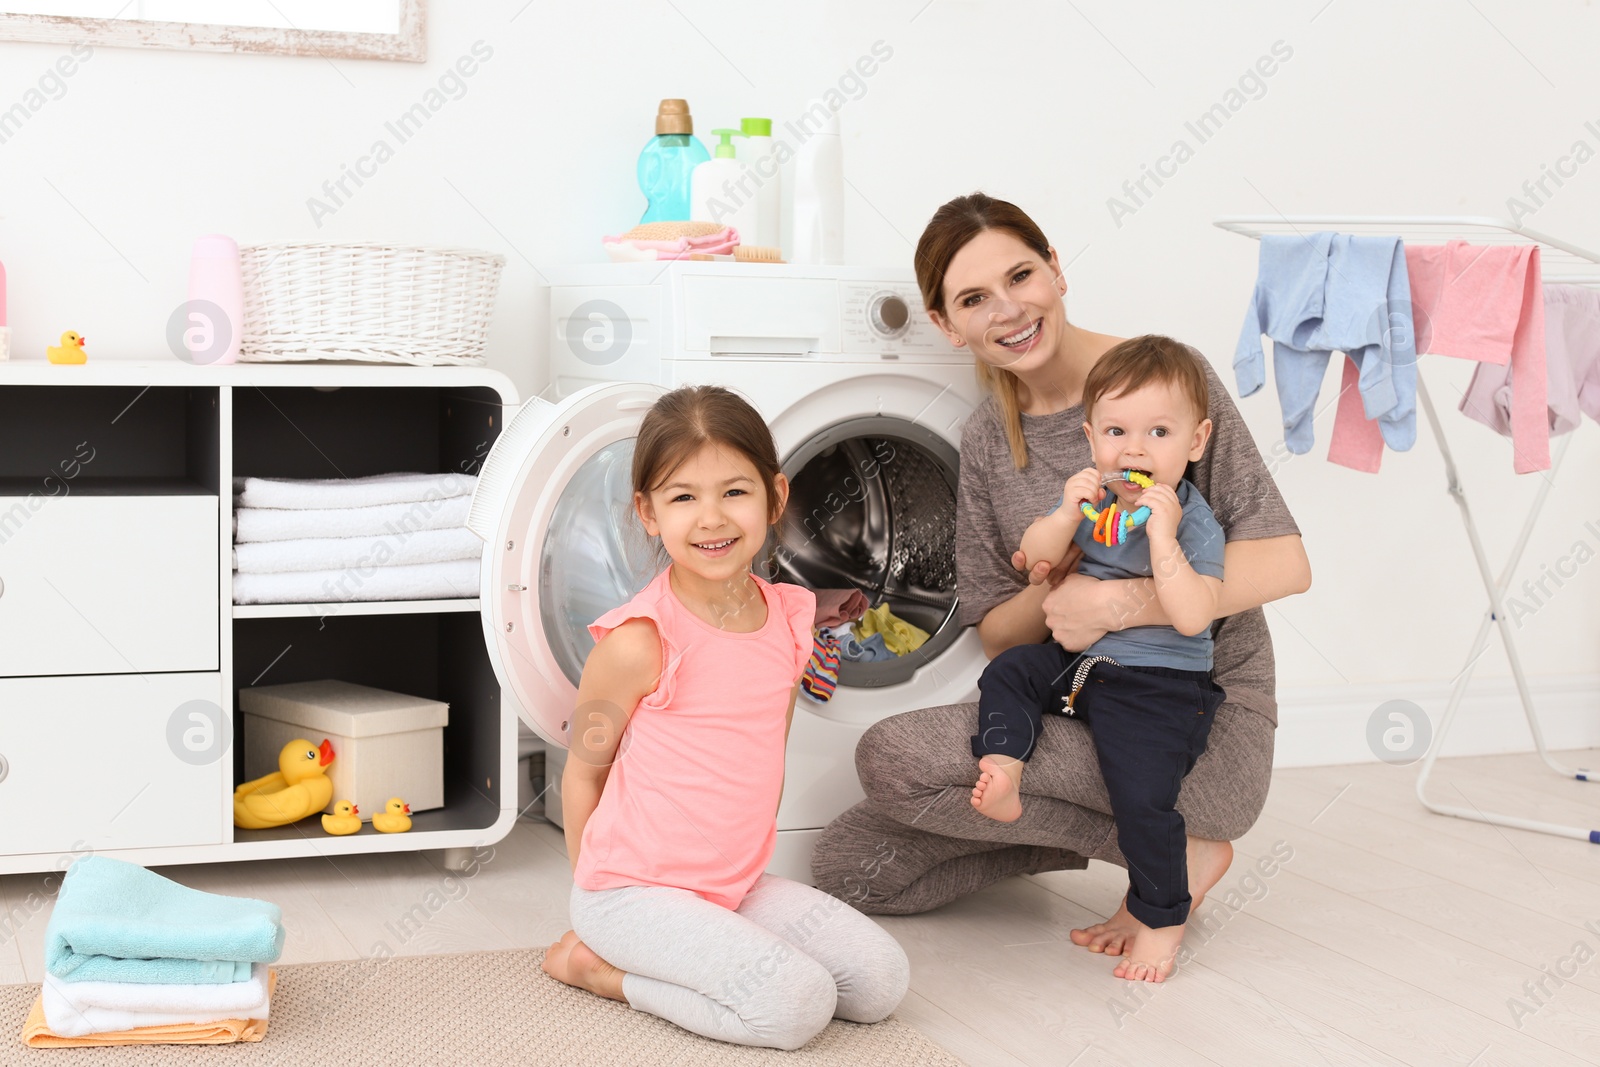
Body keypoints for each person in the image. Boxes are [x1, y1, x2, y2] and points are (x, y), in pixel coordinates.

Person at [812, 193, 1311, 973]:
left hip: (1194, 715)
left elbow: (1286, 561)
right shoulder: (987, 439)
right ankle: (1155, 850)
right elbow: (997, 630)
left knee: (896, 755)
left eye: (1021, 274)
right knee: (851, 866)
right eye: (975, 298)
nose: (1009, 310)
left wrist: (1121, 602)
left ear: (1057, 271)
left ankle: (1165, 862)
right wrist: (1058, 590)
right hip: (1074, 695)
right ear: (947, 325)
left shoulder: (1163, 388)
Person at [540, 385, 910, 1050]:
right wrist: (597, 906)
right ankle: (600, 970)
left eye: (733, 492)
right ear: (648, 512)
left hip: (735, 883)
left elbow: (767, 746)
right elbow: (582, 774)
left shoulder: (792, 619)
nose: (711, 517)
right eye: (683, 497)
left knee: (880, 982)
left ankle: (702, 945)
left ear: (775, 495)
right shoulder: (639, 640)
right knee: (796, 1007)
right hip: (629, 891)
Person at [970, 335, 1231, 981]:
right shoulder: (1096, 507)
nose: (1135, 449)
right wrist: (1063, 511)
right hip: (1085, 666)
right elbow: (1034, 560)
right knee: (1010, 670)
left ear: (1195, 442)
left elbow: (1195, 614)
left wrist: (1164, 537)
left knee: (1141, 797)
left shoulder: (1190, 521)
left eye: (1159, 432)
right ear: (1092, 440)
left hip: (1159, 685)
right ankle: (1004, 765)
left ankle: (1164, 918)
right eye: (1117, 430)